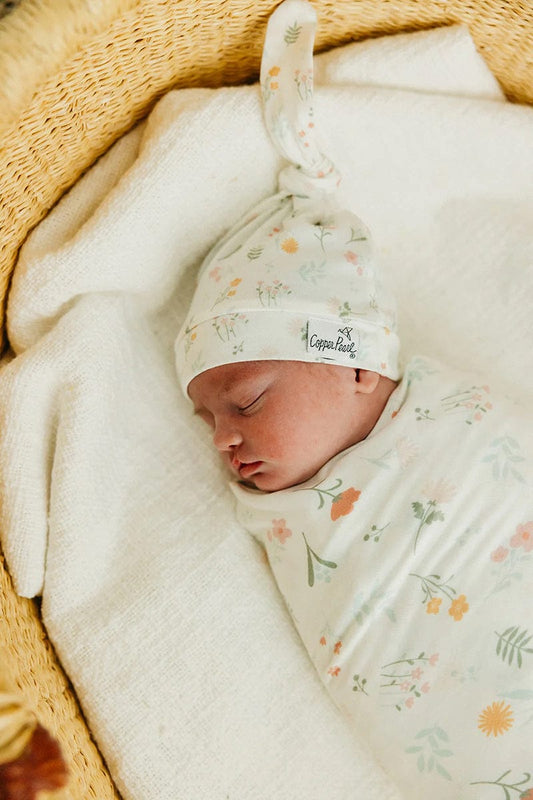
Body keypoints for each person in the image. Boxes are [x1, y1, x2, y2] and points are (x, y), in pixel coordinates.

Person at [176, 1, 533, 797]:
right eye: (207, 418)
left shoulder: (455, 421)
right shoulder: (279, 517)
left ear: (355, 367)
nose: (221, 440)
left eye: (244, 398)